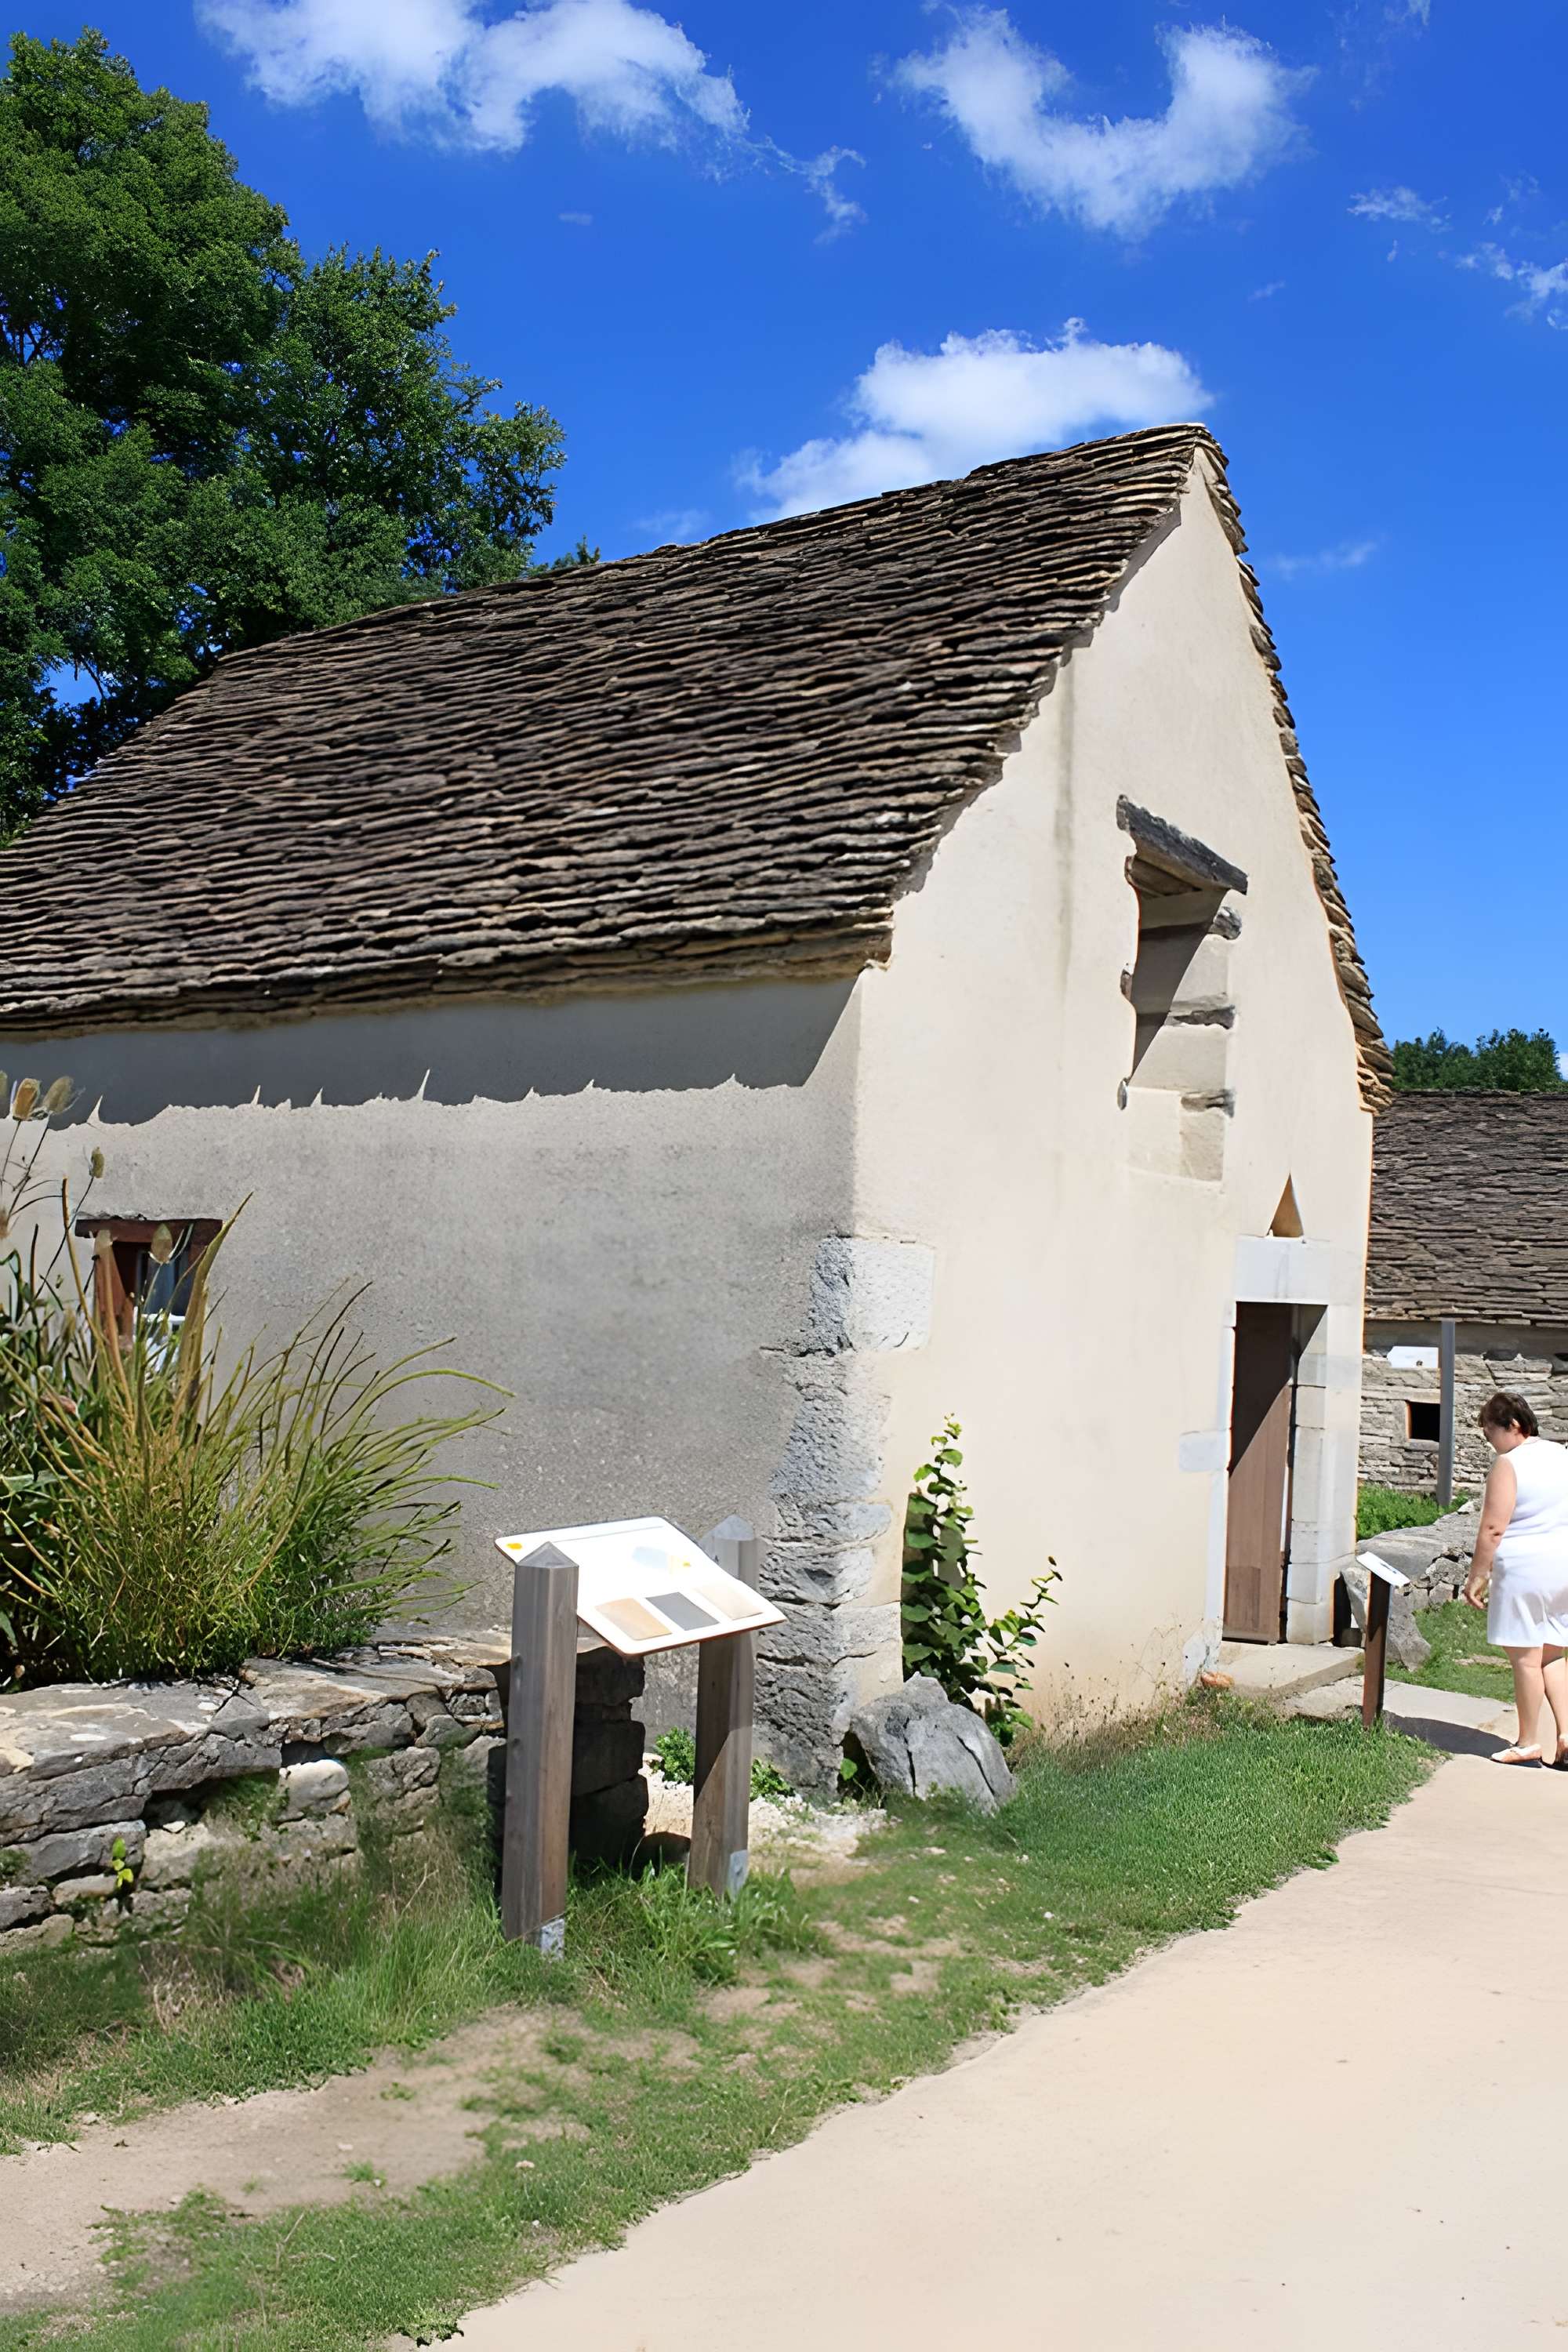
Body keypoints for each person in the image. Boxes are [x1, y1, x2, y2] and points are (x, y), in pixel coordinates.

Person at [1463, 1391, 1568, 1766]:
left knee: (1525, 1656)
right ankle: (1566, 1733)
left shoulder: (1510, 1464)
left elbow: (1493, 1528)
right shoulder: (1562, 1455)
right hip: (1562, 1565)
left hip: (1526, 1567)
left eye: (1491, 1432)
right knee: (1552, 1652)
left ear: (1514, 1426)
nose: (1491, 1442)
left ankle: (1527, 1741)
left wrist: (1477, 1577)